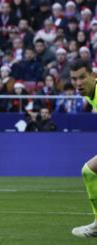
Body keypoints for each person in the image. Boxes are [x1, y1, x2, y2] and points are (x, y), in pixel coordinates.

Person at [69, 59, 97, 237]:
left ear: (93, 76)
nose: (78, 83)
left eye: (82, 77)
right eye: (74, 79)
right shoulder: (88, 93)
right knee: (89, 171)